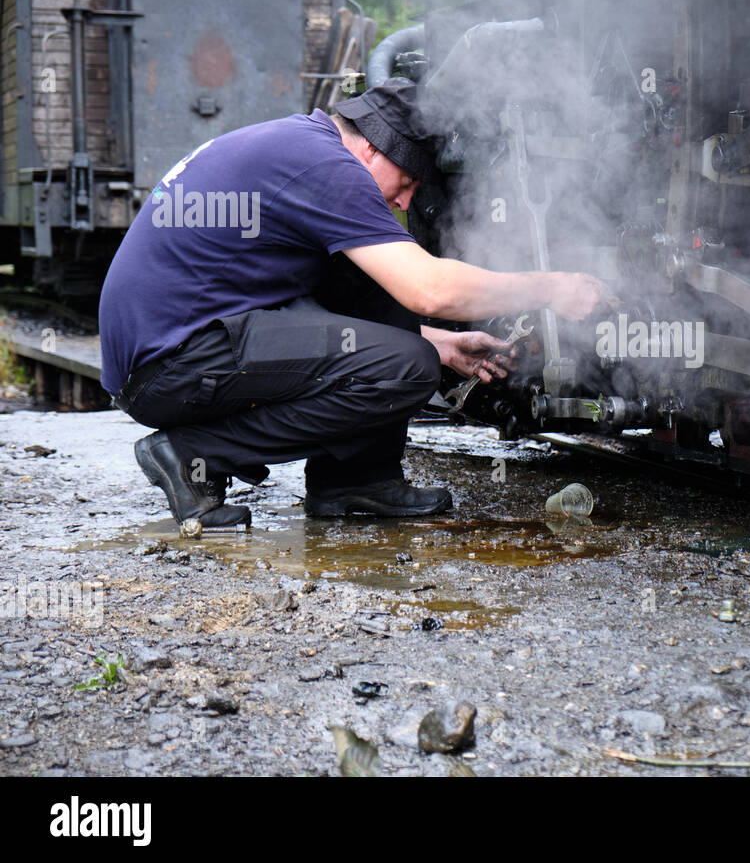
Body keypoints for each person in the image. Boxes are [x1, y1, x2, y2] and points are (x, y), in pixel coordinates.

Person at [99, 78, 612, 527]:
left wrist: (444, 342)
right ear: (372, 149)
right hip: (170, 364)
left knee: (378, 289)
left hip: (176, 347)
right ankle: (192, 453)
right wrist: (551, 287)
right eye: (407, 181)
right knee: (410, 366)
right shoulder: (328, 166)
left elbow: (315, 301)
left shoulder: (300, 144)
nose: (405, 201)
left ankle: (355, 480)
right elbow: (429, 289)